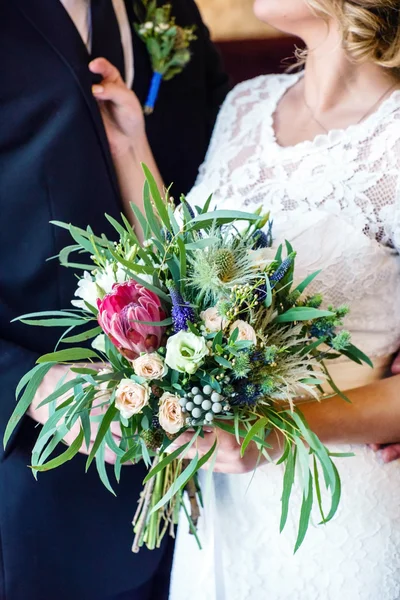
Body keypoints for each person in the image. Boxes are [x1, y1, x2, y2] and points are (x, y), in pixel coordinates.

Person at [90, 0, 400, 597]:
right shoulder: (247, 103)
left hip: (342, 513)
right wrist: (131, 148)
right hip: (223, 516)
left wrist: (279, 429)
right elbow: (188, 276)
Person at [0, 1, 230, 599]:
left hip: (217, 492)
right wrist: (27, 385)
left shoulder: (174, 11)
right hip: (37, 483)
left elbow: (235, 193)